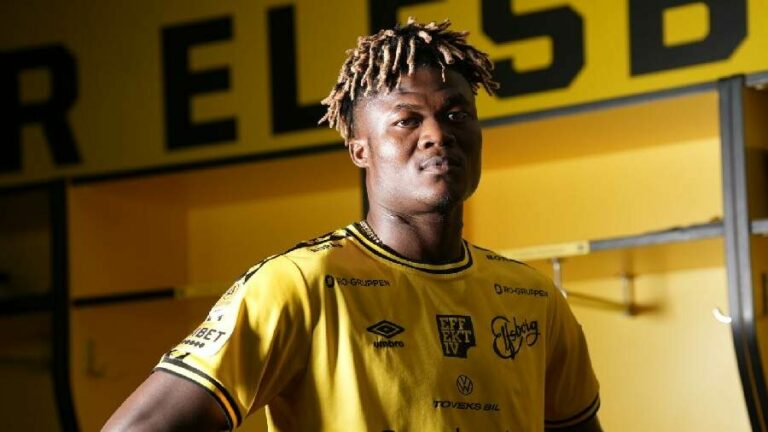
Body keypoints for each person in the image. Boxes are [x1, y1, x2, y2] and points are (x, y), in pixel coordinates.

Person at [104, 18, 601, 432]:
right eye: (407, 120)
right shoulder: (300, 285)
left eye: (456, 115)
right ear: (360, 150)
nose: (438, 134)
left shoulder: (533, 298)